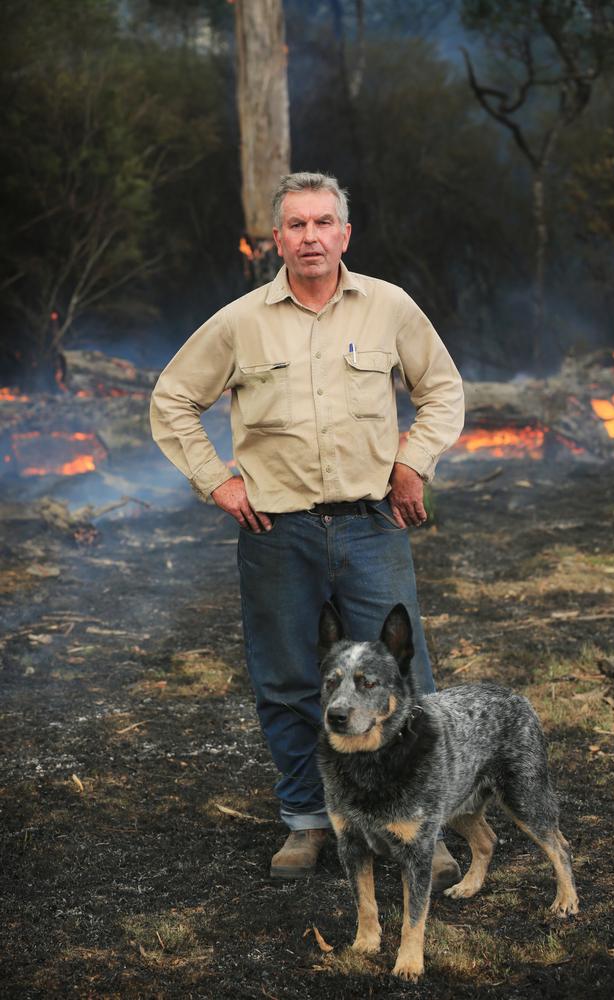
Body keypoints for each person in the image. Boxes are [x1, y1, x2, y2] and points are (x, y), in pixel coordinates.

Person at [150, 171, 465, 882]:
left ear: (345, 234)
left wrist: (413, 461)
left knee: (405, 676)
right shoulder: (240, 322)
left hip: (370, 526)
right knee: (290, 680)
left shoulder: (388, 307)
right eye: (297, 224)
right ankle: (307, 821)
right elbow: (172, 399)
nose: (311, 236)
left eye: (324, 222)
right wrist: (219, 480)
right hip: (276, 533)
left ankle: (420, 825)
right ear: (277, 239)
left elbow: (441, 389)